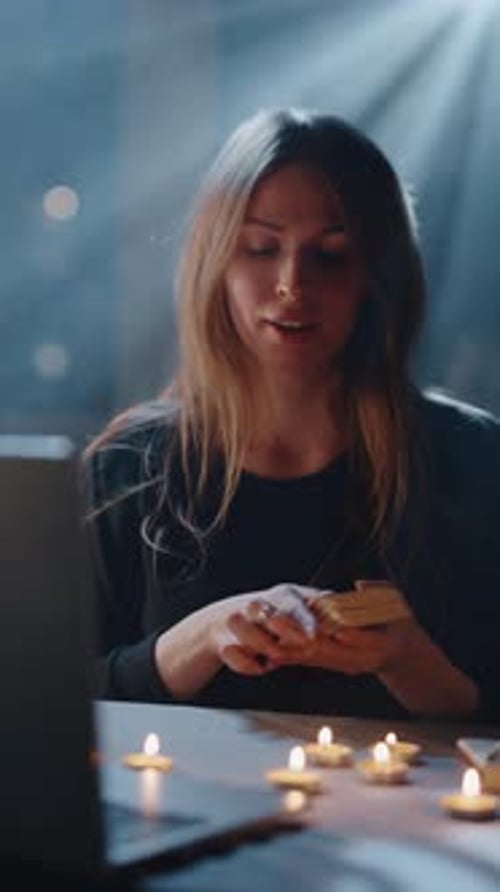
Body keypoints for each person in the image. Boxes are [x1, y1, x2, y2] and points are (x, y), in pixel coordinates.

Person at [83, 107, 500, 721]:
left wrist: (409, 661)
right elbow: (46, 704)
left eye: (331, 256)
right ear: (215, 263)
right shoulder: (129, 467)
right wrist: (200, 639)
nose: (291, 284)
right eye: (260, 248)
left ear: (378, 275)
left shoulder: (470, 456)